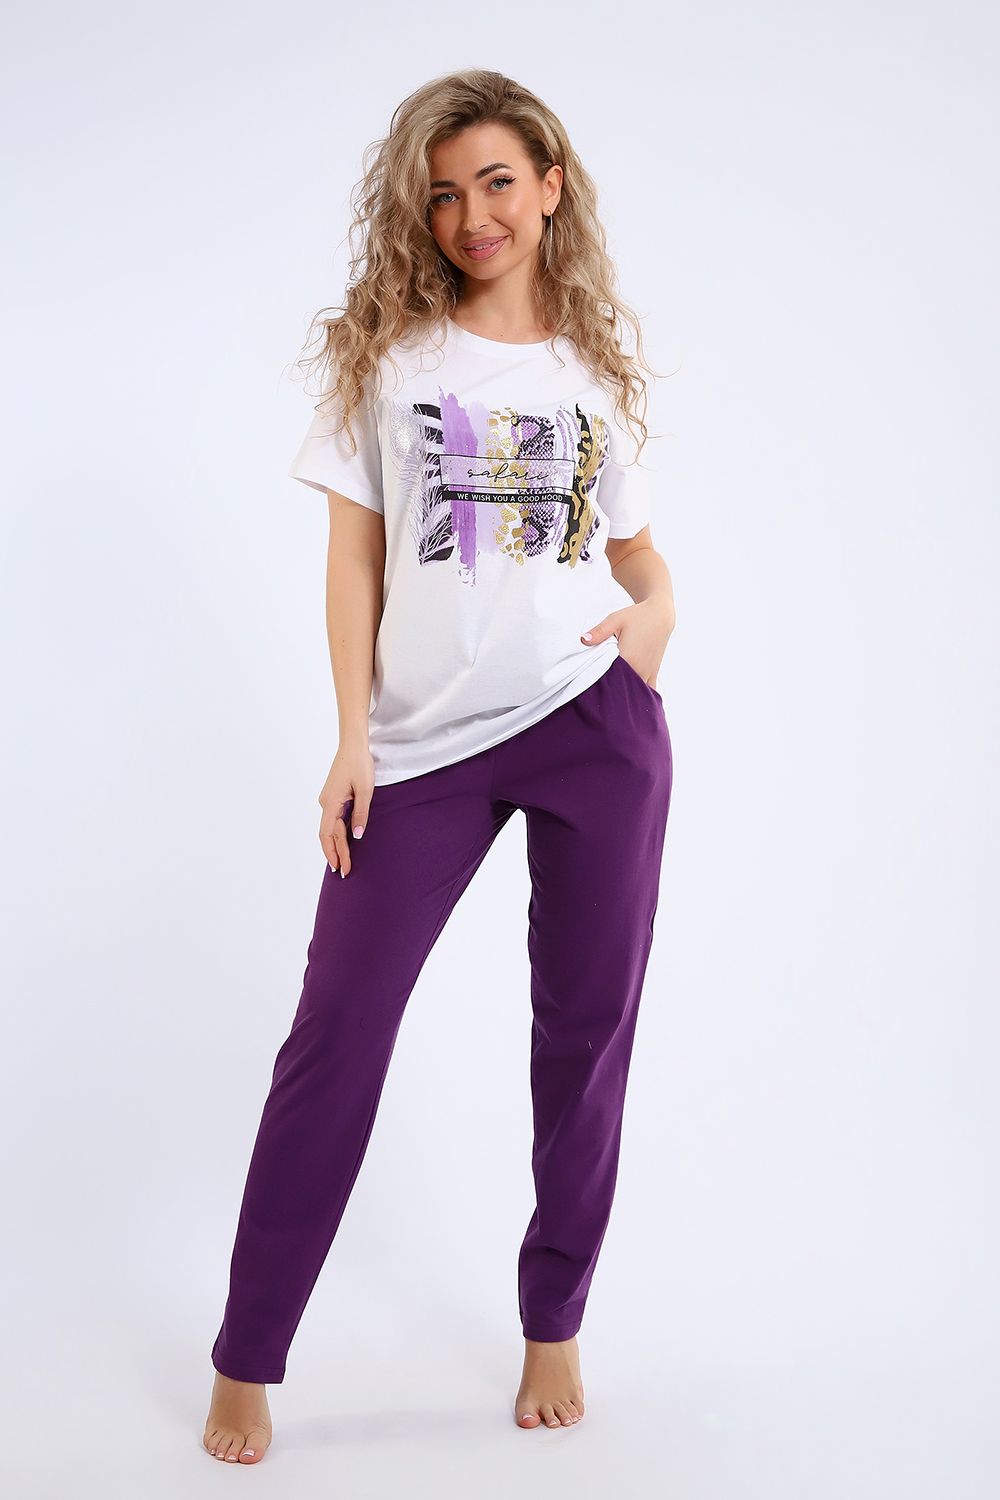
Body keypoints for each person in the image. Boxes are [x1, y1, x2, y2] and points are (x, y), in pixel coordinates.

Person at [203, 67, 677, 1465]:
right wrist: (353, 736)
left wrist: (653, 625)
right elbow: (353, 562)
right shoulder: (391, 363)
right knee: (336, 1035)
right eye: (446, 194)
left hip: (593, 725)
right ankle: (247, 1352)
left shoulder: (595, 375)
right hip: (420, 748)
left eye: (498, 182)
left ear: (551, 187)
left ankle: (554, 1321)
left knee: (584, 1035)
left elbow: (641, 558)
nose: (475, 214)